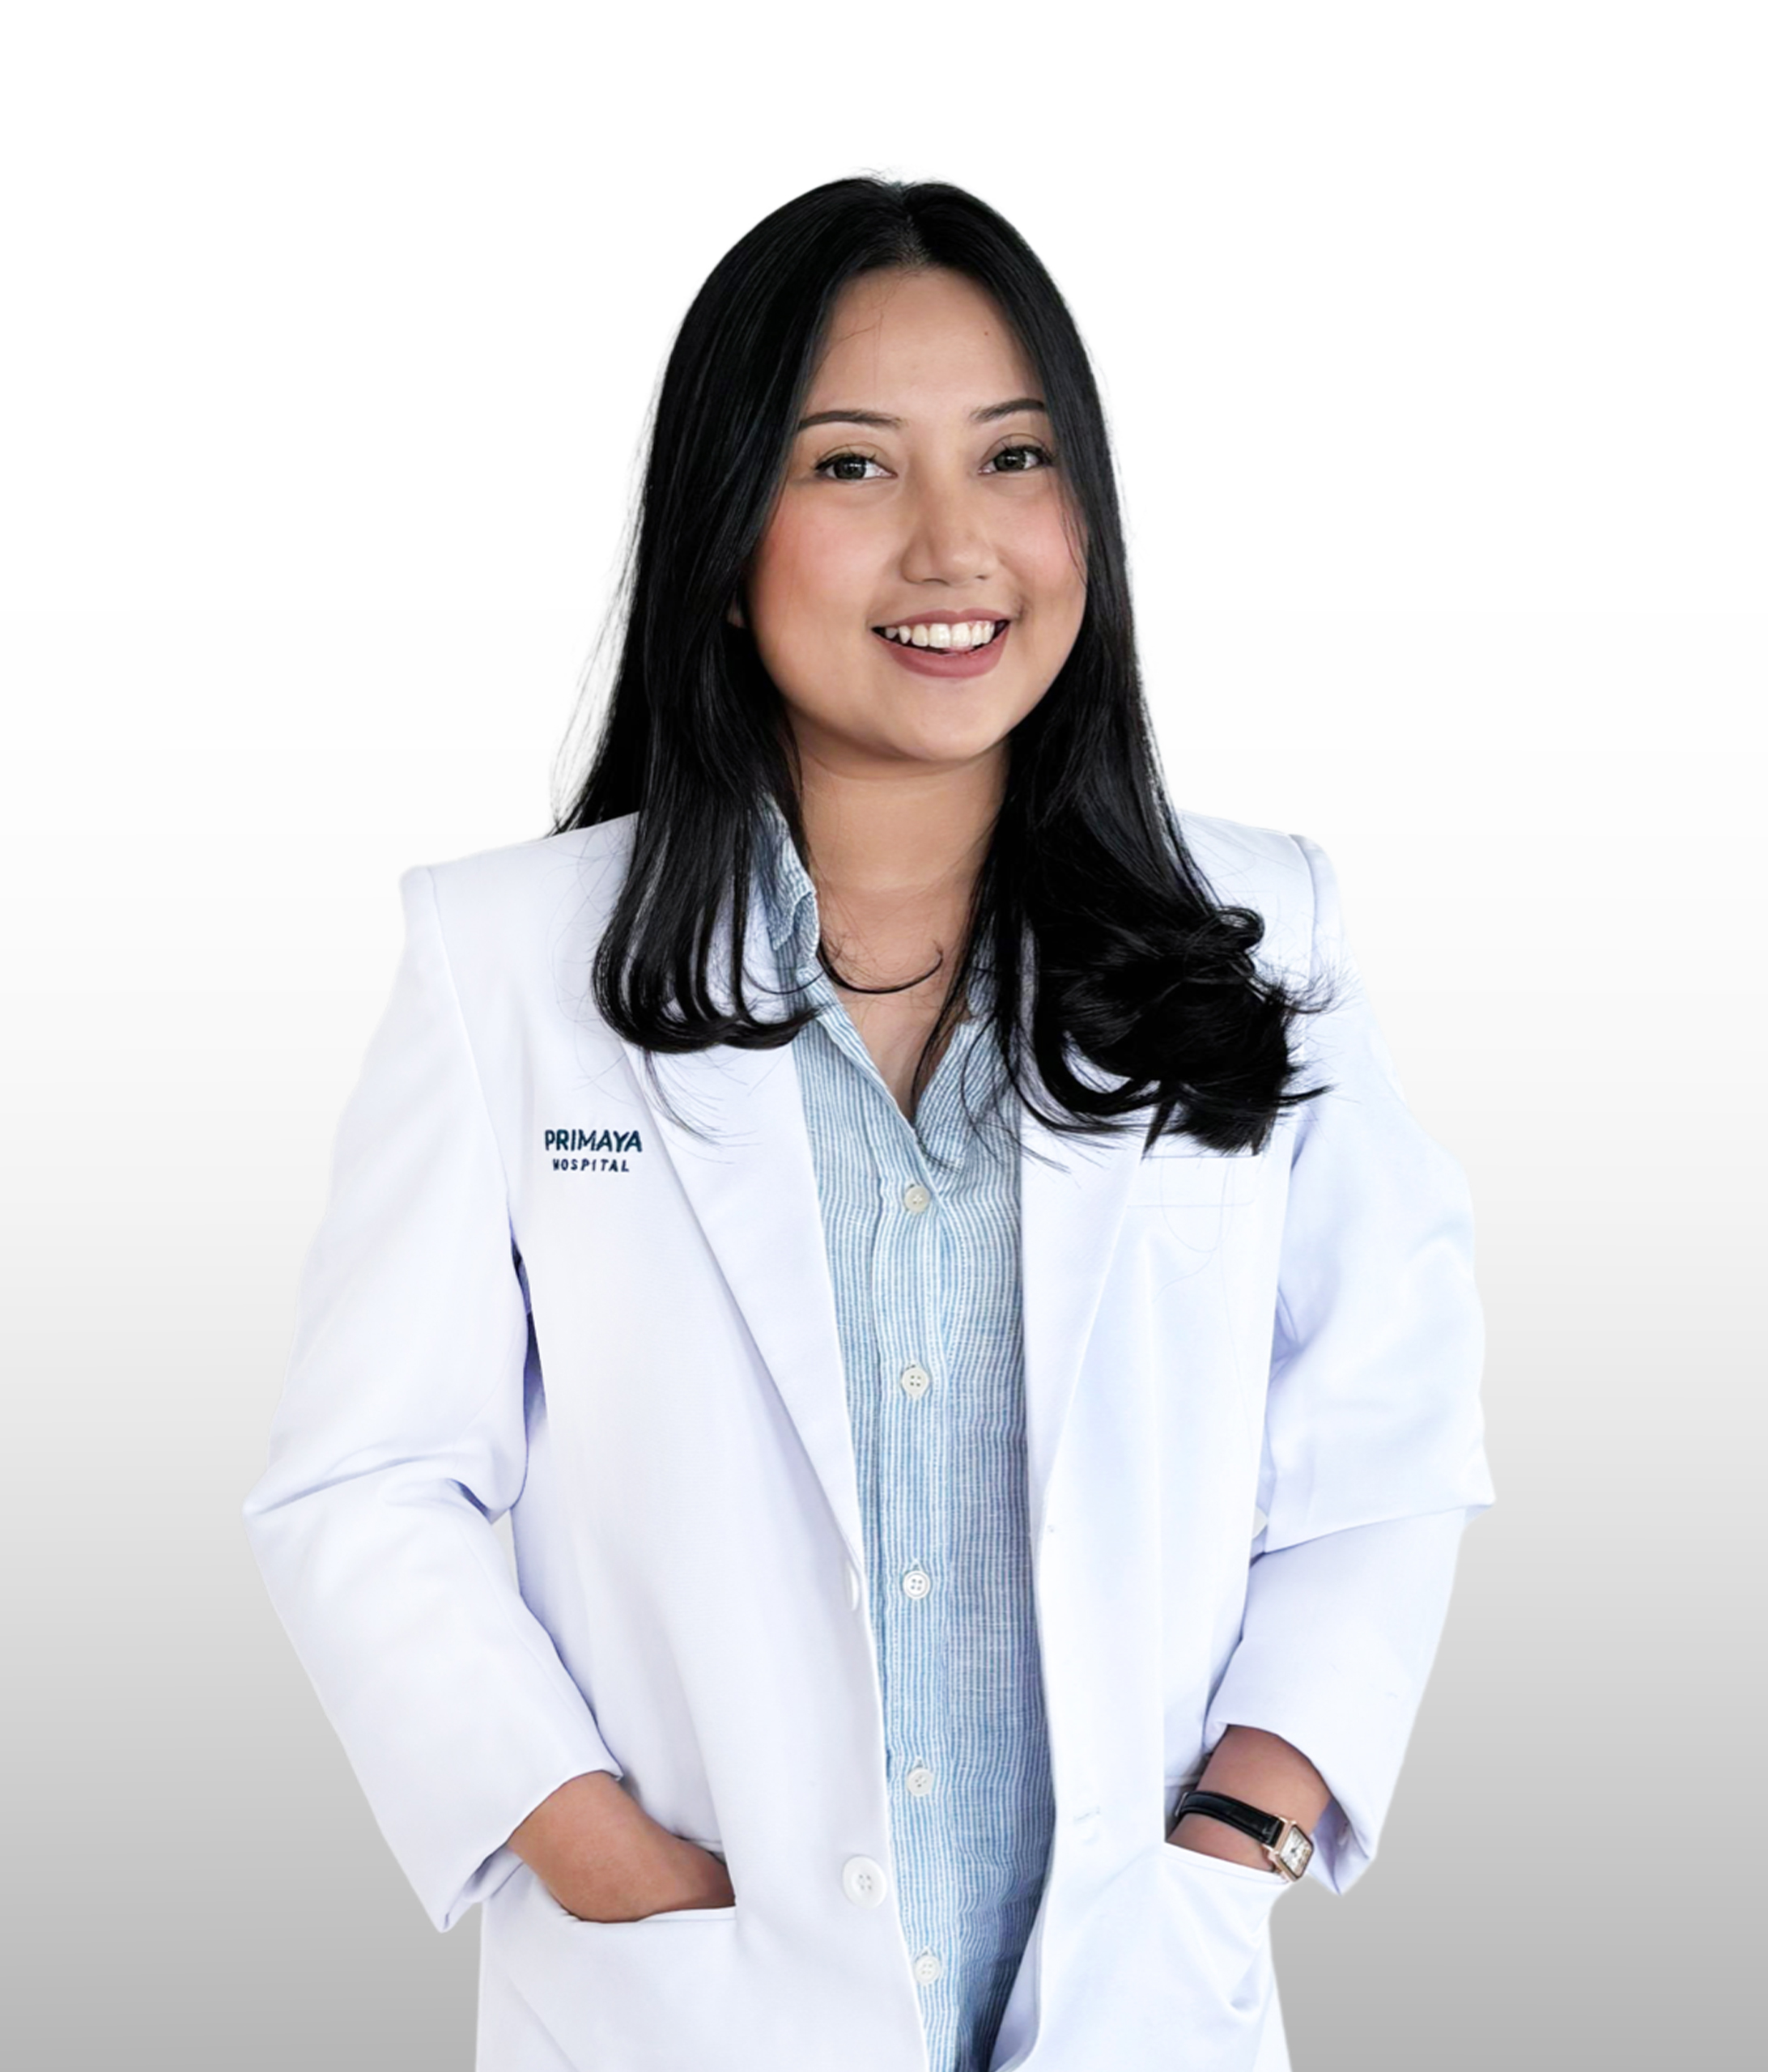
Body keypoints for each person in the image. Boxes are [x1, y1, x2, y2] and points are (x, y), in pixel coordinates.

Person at [243, 175, 1494, 2072]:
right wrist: (583, 1840)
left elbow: (1389, 1427)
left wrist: (1245, 1821)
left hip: (1133, 1995)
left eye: (1015, 457)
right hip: (698, 1995)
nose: (952, 544)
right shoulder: (506, 964)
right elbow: (368, 1480)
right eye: (851, 465)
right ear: (722, 528)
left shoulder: (1261, 932)